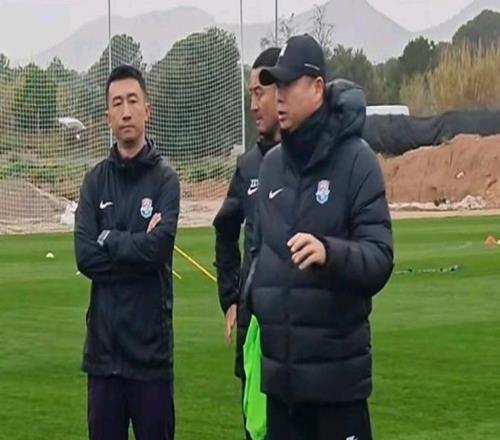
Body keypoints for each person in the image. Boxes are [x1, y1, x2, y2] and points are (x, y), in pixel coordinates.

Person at [248, 34, 394, 440]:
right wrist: (251, 295)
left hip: (337, 390)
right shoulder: (271, 167)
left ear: (316, 88)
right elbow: (258, 250)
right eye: (274, 85)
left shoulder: (358, 161)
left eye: (288, 83)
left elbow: (380, 257)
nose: (278, 96)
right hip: (281, 391)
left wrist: (330, 253)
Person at [74, 65, 180, 440]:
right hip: (103, 359)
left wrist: (109, 239)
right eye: (117, 103)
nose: (125, 111)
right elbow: (85, 256)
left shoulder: (165, 180)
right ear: (108, 117)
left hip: (150, 358)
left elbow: (158, 250)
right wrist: (138, 247)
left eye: (132, 101)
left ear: (147, 110)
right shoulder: (94, 182)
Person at [213, 47, 281, 438]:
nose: (253, 104)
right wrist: (231, 299)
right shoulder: (249, 166)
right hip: (254, 328)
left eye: (260, 93)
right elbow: (225, 230)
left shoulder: (309, 160)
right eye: (250, 94)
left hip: (301, 333)